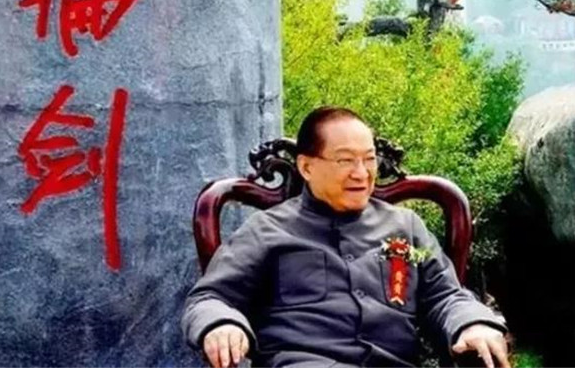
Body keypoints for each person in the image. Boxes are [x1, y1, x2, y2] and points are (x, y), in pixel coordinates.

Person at [182, 106, 510, 368]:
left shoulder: (405, 229)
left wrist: (471, 324)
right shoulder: (266, 231)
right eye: (345, 160)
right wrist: (221, 324)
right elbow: (210, 298)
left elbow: (445, 295)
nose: (361, 173)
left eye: (369, 159)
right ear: (306, 167)